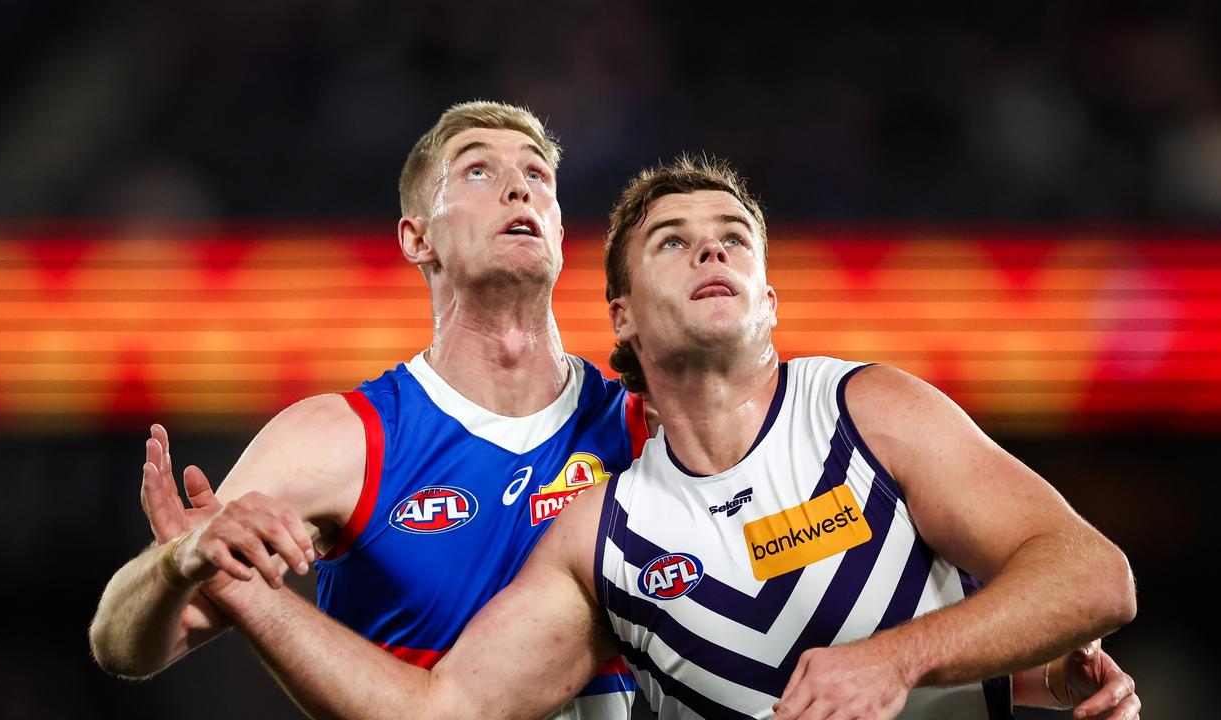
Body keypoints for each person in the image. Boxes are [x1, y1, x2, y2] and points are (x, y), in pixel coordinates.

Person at [149, 155, 1141, 720]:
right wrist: (249, 595)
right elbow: (437, 716)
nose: (709, 245)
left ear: (767, 297)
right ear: (620, 316)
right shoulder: (604, 534)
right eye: (673, 239)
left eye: (732, 236)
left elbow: (1091, 575)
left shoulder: (868, 412)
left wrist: (911, 658)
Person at [88, 101, 644, 718]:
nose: (519, 187)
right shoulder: (340, 439)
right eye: (478, 172)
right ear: (417, 238)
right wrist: (173, 562)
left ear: (561, 233)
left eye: (538, 175)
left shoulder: (644, 424)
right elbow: (120, 645)